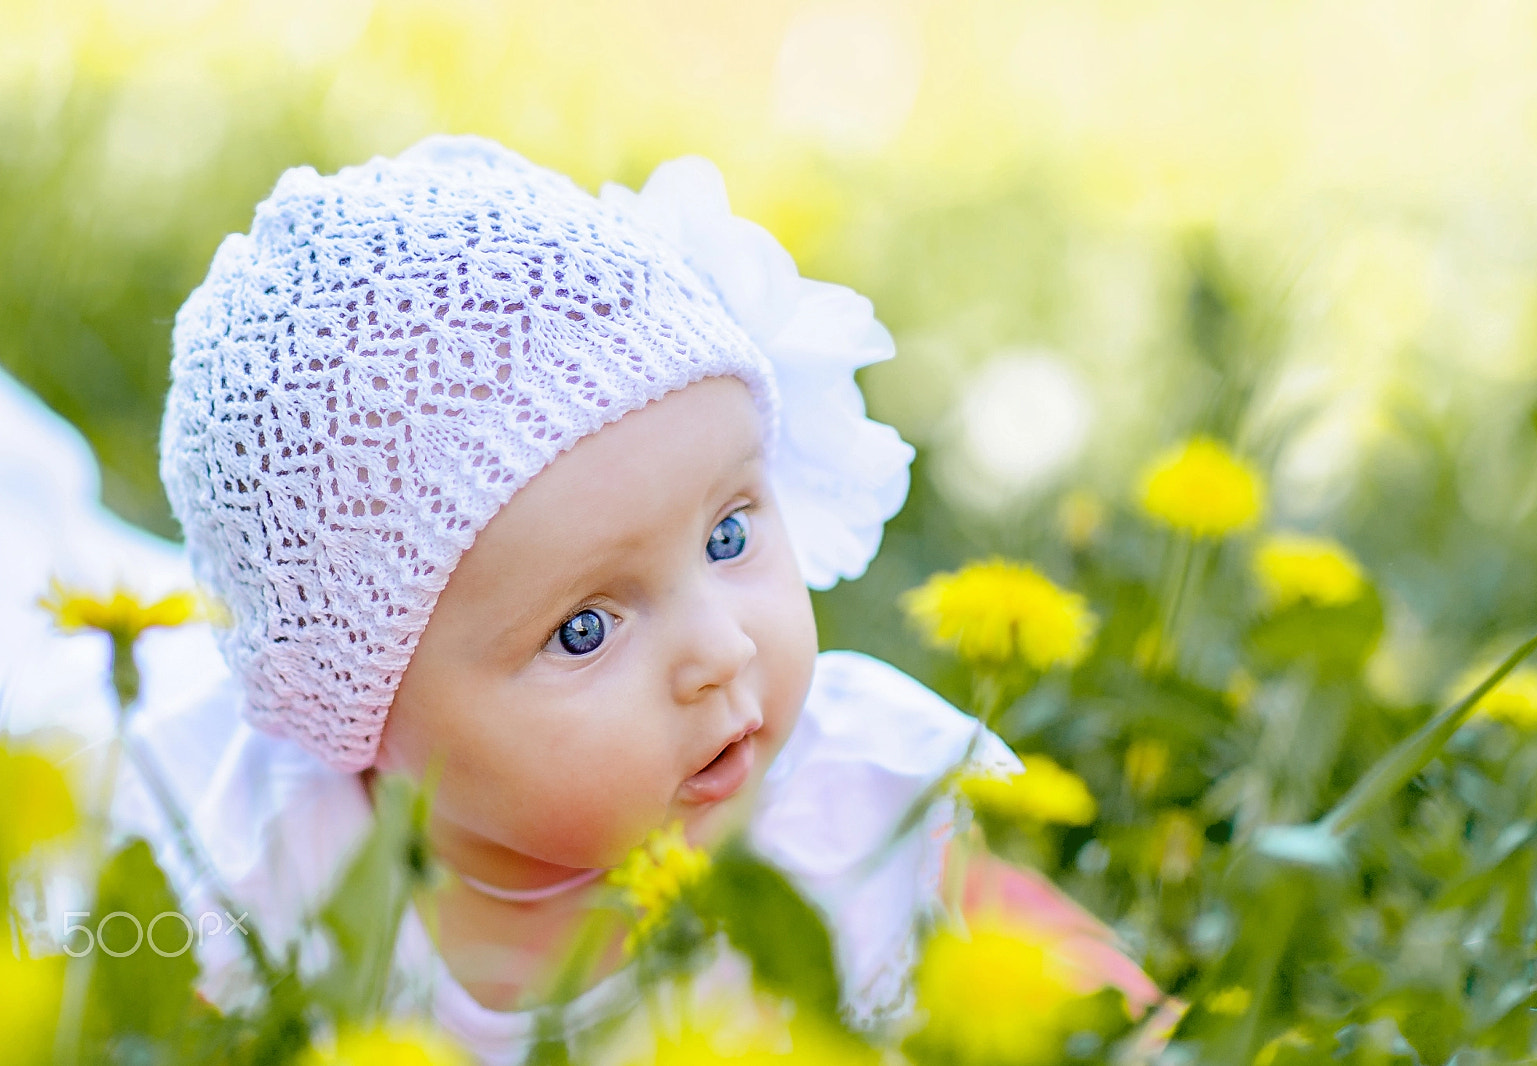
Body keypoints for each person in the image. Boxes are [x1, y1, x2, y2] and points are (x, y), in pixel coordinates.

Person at [18, 135, 1164, 1063]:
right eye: (584, 629)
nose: (719, 651)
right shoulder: (236, 872)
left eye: (726, 533)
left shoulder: (877, 803)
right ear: (366, 720)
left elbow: (1126, 1027)